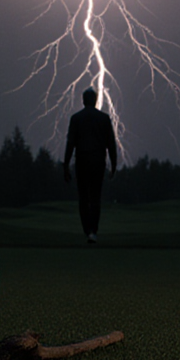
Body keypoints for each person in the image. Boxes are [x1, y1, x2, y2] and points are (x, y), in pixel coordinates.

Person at [63, 87, 118, 244]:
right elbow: (111, 144)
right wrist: (114, 164)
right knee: (95, 197)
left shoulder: (76, 118)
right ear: (95, 101)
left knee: (83, 197)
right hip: (98, 162)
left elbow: (70, 143)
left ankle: (87, 230)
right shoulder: (104, 118)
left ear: (83, 100)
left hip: (81, 161)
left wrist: (65, 165)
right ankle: (93, 231)